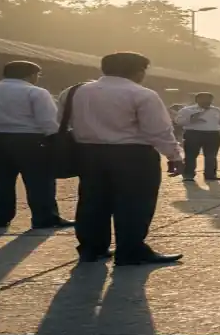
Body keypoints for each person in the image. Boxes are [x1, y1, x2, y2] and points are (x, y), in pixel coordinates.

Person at [65, 52, 184, 265]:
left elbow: (62, 120)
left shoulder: (75, 92)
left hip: (88, 153)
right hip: (132, 155)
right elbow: (158, 130)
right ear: (139, 71)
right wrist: (174, 155)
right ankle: (130, 251)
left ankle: (92, 248)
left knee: (92, 201)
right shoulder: (142, 94)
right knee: (134, 203)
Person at [0, 61, 72, 230]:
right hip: (30, 140)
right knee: (39, 181)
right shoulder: (36, 92)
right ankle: (44, 218)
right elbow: (48, 121)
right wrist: (57, 141)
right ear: (31, 75)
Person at [174, 92, 220, 183]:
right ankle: (189, 175)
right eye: (203, 99)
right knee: (191, 155)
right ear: (197, 100)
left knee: (211, 156)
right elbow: (178, 121)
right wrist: (191, 119)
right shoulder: (187, 110)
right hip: (193, 134)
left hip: (213, 134)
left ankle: (210, 174)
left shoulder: (217, 110)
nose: (206, 101)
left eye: (209, 99)